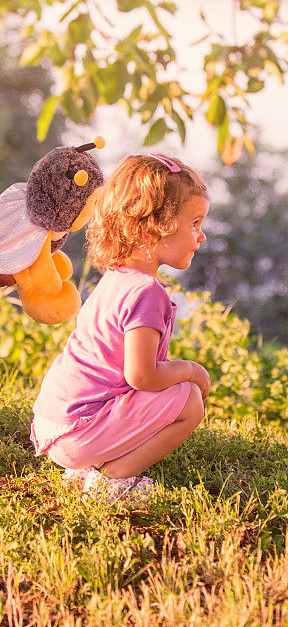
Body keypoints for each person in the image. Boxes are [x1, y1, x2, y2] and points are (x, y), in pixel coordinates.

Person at [30, 153, 211, 502]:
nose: (200, 236)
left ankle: (86, 466)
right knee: (188, 401)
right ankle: (110, 479)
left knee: (171, 395)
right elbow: (142, 377)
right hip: (76, 435)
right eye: (194, 223)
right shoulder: (147, 292)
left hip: (53, 424)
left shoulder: (115, 279)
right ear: (149, 228)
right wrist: (192, 371)